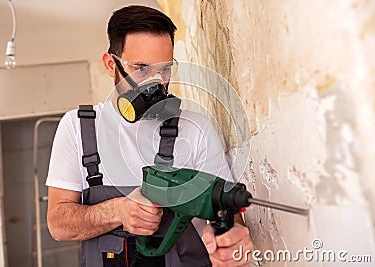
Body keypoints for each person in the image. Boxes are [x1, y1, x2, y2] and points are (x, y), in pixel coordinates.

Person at [46, 5, 252, 267]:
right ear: (111, 65)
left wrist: (229, 239)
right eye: (141, 69)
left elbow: (227, 212)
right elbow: (58, 224)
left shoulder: (196, 129)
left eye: (164, 69)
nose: (156, 81)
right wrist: (118, 211)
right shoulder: (77, 127)